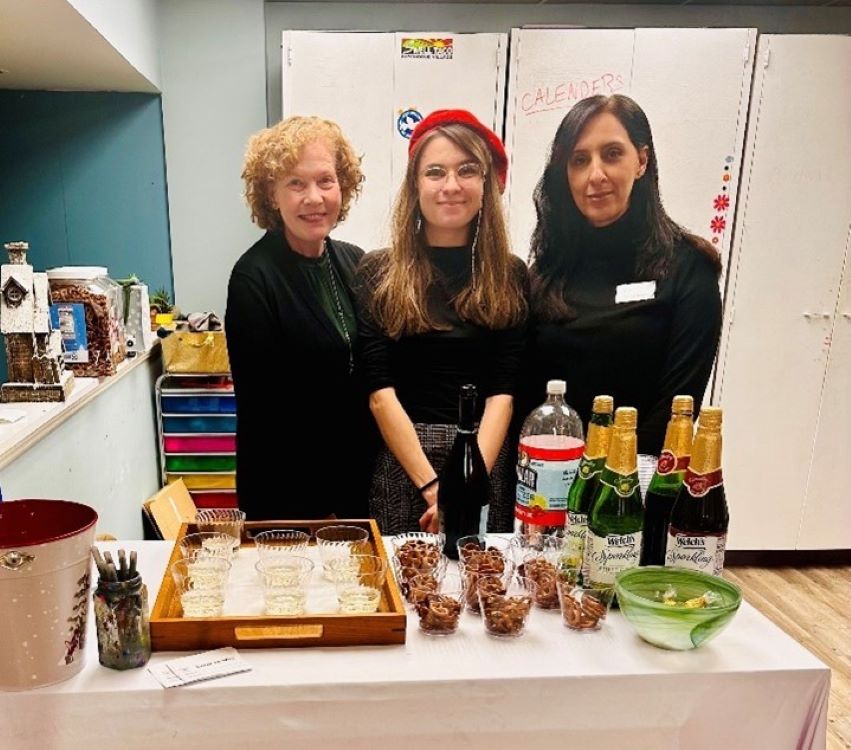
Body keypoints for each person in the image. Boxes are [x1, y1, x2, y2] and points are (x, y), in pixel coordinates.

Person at [355, 109, 529, 536]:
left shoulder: (510, 274)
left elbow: (502, 395)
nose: (451, 185)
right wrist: (436, 489)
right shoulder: (378, 271)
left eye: (466, 170)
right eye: (435, 172)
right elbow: (379, 394)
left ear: (487, 184)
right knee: (407, 591)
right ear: (415, 187)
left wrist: (466, 486)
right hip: (404, 463)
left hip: (484, 460)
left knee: (480, 589)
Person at [525, 94, 722, 456]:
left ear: (641, 160)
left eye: (612, 154)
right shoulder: (547, 270)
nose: (595, 175)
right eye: (579, 160)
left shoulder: (687, 268)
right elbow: (526, 392)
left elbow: (676, 409)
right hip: (545, 481)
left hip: (629, 488)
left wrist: (611, 492)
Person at [226, 116, 374, 520]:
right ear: (271, 195)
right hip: (289, 495)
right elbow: (266, 414)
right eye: (296, 183)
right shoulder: (254, 278)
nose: (314, 197)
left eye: (326, 180)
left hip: (354, 482)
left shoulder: (353, 261)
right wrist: (320, 513)